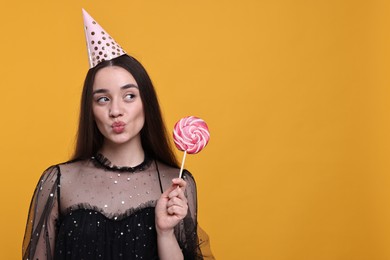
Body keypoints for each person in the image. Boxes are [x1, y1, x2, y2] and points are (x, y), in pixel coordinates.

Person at [22, 9, 214, 260]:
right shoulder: (59, 181)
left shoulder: (176, 183)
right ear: (90, 110)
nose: (116, 111)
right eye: (103, 99)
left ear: (147, 103)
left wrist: (165, 233)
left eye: (129, 96)